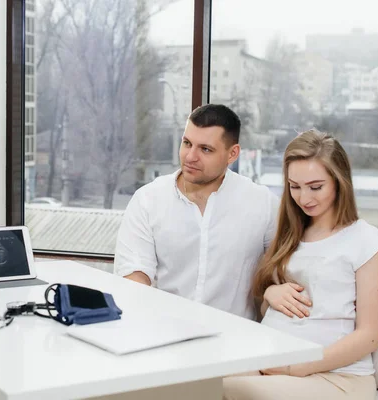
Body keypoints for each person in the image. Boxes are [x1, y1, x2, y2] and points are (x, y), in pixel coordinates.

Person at [222, 130, 378, 399]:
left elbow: (370, 335)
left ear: (339, 181)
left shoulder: (365, 240)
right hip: (272, 365)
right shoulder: (291, 235)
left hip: (338, 378)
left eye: (315, 187)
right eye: (294, 186)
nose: (304, 198)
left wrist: (295, 367)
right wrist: (269, 294)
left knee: (222, 388)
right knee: (191, 379)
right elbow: (270, 311)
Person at [114, 104, 279, 319]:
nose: (190, 156)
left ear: (232, 154)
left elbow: (283, 271)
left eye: (205, 149)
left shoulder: (263, 204)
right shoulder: (148, 200)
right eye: (187, 143)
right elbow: (134, 275)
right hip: (165, 335)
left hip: (236, 340)